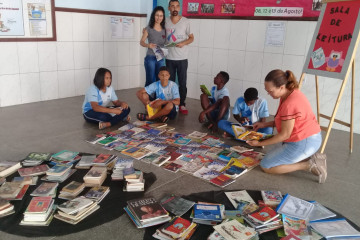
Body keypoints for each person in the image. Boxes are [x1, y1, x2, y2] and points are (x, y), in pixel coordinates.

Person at [246, 69, 327, 183]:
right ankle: (310, 157)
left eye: (271, 91)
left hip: (305, 142)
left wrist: (259, 143)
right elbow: (285, 122)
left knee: (266, 165)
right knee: (273, 156)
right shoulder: (289, 93)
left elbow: (284, 134)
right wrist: (264, 124)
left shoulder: (290, 103)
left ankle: (309, 164)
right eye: (267, 91)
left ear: (281, 87)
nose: (269, 94)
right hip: (307, 137)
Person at [166, 0, 194, 115]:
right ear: (169, 8)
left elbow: (192, 38)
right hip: (169, 58)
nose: (175, 8)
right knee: (171, 83)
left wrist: (183, 43)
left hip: (182, 58)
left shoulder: (186, 21)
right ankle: (172, 104)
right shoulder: (165, 21)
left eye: (177, 6)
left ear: (179, 8)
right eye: (172, 6)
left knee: (182, 82)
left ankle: (182, 104)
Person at [140, 6, 166, 87]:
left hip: (160, 58)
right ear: (153, 16)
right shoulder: (148, 28)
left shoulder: (164, 29)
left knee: (160, 80)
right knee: (150, 80)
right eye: (157, 15)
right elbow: (141, 42)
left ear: (163, 17)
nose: (159, 18)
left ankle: (157, 99)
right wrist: (148, 45)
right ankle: (149, 99)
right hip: (150, 57)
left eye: (161, 16)